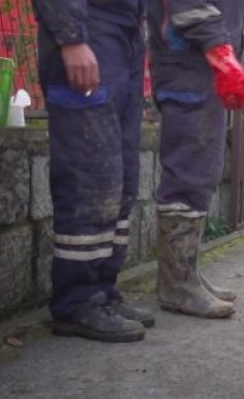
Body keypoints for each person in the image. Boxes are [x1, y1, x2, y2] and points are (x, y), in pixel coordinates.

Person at [33, 0, 155, 343]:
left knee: (120, 173)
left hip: (124, 28)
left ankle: (102, 293)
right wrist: (72, 36)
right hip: (89, 24)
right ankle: (76, 301)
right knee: (90, 172)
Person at [146, 0, 244, 318]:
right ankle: (177, 284)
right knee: (188, 174)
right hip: (187, 65)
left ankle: (185, 273)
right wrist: (220, 50)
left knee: (203, 171)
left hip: (198, 66)